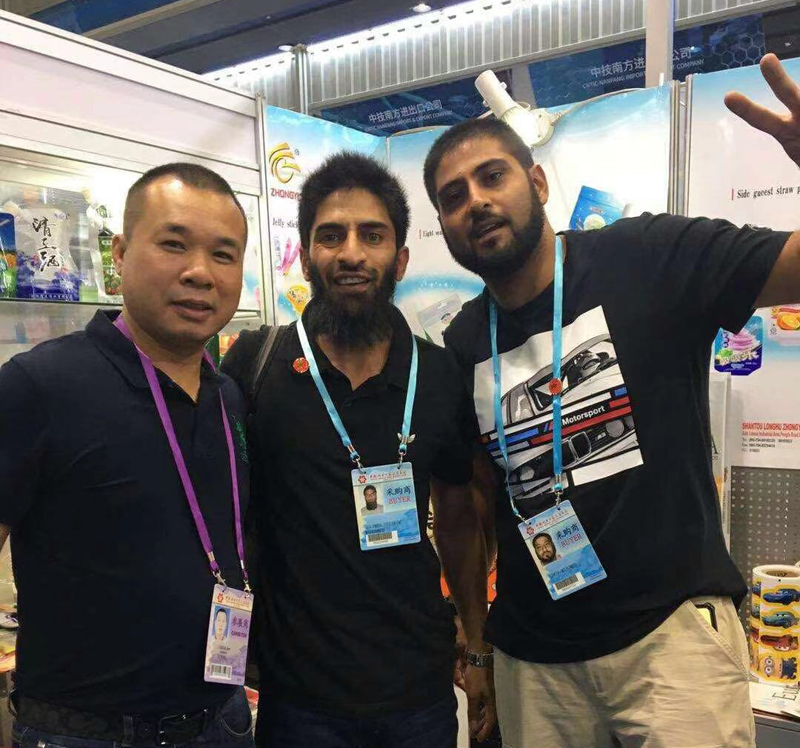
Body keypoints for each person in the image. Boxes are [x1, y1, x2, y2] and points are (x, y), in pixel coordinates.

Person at [422, 53, 800, 748]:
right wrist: (477, 648)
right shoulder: (463, 342)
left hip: (669, 644)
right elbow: (468, 505)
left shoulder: (645, 256)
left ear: (537, 182)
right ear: (444, 227)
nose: (474, 201)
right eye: (452, 196)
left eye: (492, 176)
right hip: (535, 663)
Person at [222, 152, 495, 747]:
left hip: (418, 692)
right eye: (331, 236)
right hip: (299, 698)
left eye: (372, 236)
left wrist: (476, 648)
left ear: (400, 258)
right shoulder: (255, 365)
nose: (351, 254)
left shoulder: (439, 373)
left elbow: (458, 520)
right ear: (306, 256)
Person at [0, 163, 256, 748]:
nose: (199, 273)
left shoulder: (229, 397)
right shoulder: (40, 386)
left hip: (222, 720)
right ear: (119, 254)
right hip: (86, 733)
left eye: (223, 254)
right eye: (173, 244)